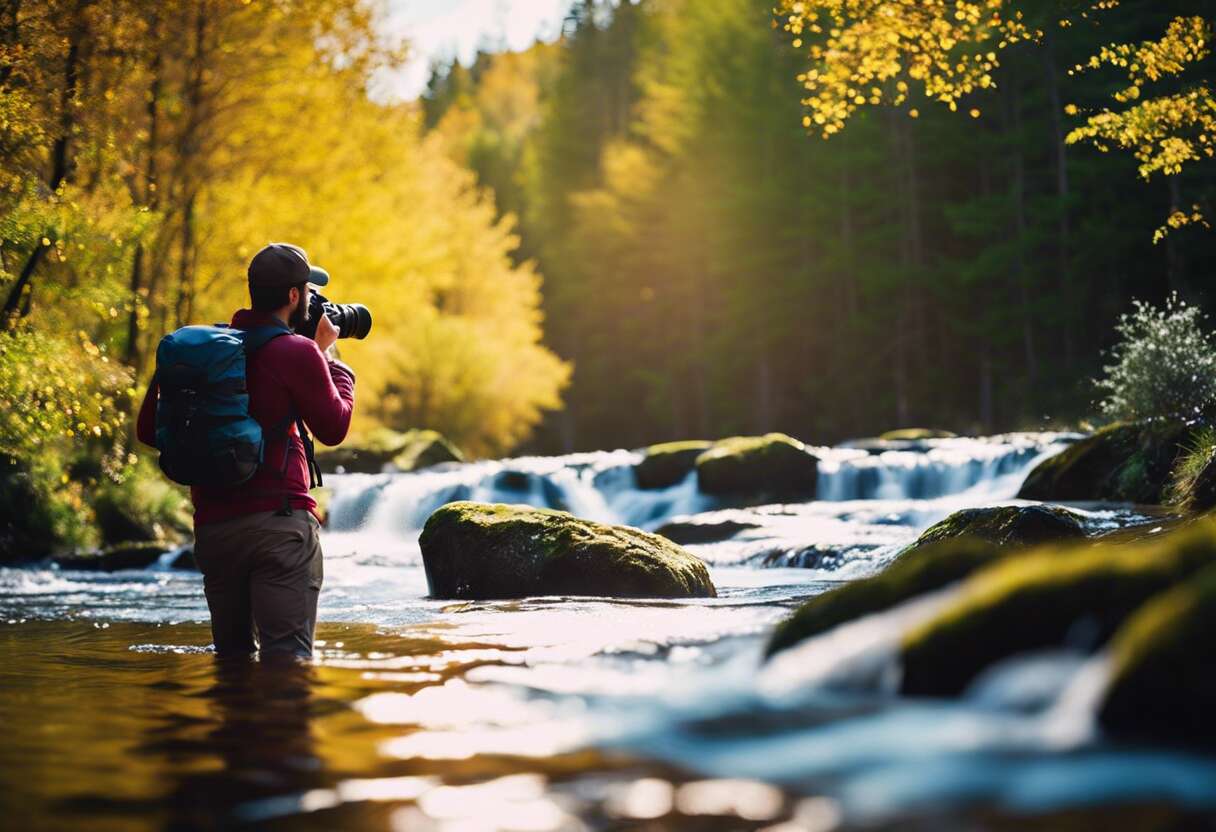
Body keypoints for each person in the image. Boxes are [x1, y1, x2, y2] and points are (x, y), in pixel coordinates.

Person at [137, 242, 355, 660]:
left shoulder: (201, 351)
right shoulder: (299, 352)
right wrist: (332, 361)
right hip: (279, 526)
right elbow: (334, 427)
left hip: (215, 530)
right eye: (308, 291)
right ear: (295, 296)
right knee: (286, 665)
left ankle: (234, 726)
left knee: (232, 663)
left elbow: (149, 430)